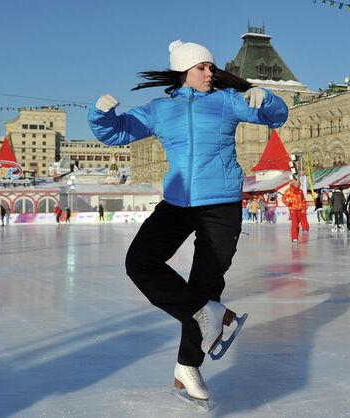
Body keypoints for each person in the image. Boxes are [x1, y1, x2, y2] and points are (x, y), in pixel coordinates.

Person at [88, 39, 288, 404]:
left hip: (222, 203)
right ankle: (210, 314)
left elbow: (276, 117)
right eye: (202, 68)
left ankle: (188, 367)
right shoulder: (161, 109)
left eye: (211, 68)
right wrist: (100, 114)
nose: (210, 73)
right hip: (178, 202)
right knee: (140, 262)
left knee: (206, 283)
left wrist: (267, 97)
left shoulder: (227, 102)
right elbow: (115, 133)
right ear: (184, 71)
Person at [282, 178, 309, 242]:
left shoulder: (300, 191)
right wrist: (288, 203)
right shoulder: (289, 190)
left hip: (300, 209)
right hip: (293, 209)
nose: (297, 184)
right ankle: (294, 237)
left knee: (298, 224)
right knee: (295, 223)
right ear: (293, 183)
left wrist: (304, 208)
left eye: (298, 183)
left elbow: (303, 200)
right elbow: (283, 198)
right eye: (296, 183)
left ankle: (296, 236)